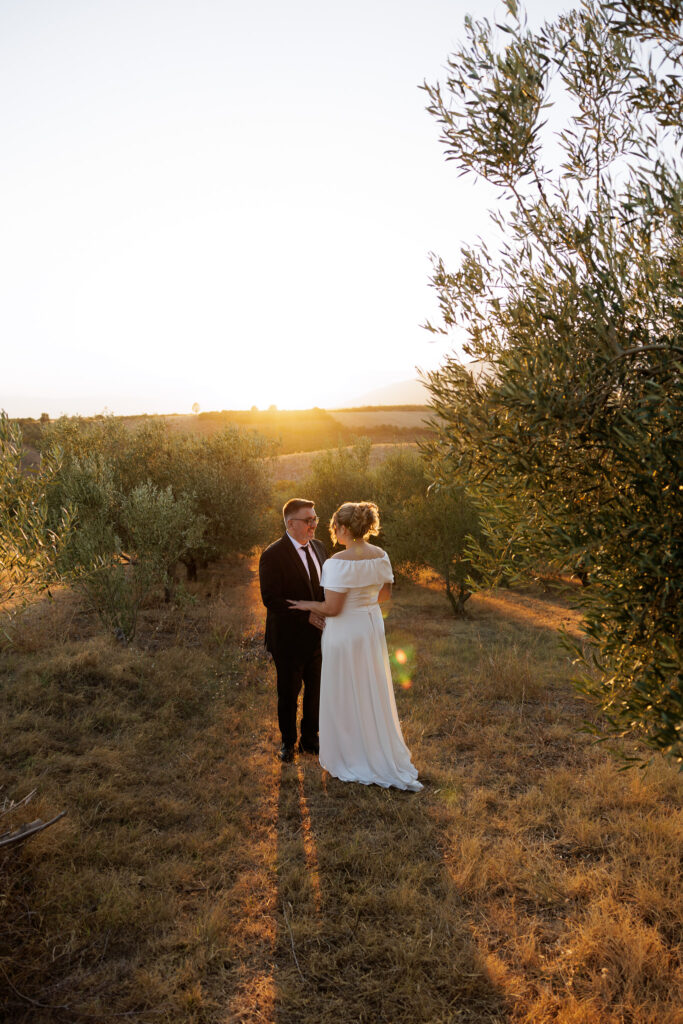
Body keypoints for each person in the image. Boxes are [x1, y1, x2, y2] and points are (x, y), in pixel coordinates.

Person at [288, 501, 422, 792]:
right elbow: (383, 596)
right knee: (370, 686)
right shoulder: (381, 556)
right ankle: (373, 747)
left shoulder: (336, 562)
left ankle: (350, 754)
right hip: (370, 629)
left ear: (344, 528)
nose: (333, 532)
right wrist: (361, 605)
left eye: (334, 526)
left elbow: (332, 609)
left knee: (344, 690)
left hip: (344, 633)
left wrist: (305, 605)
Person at [259, 498, 328, 763]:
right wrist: (308, 615)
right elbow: (271, 599)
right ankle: (288, 743)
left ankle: (311, 740)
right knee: (288, 694)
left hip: (319, 638)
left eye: (315, 519)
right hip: (287, 639)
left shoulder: (321, 548)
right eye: (308, 520)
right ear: (291, 523)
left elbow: (326, 589)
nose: (313, 525)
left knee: (316, 691)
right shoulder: (272, 554)